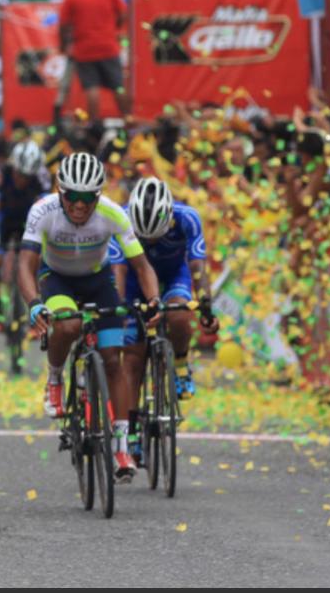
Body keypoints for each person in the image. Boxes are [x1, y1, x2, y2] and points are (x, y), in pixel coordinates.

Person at [18, 152, 161, 483]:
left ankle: (122, 446)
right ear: (60, 191)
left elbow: (142, 266)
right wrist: (35, 304)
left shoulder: (112, 213)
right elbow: (25, 264)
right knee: (67, 324)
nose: (80, 205)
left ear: (99, 195)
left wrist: (153, 300)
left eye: (88, 198)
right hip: (57, 279)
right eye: (72, 197)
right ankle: (55, 377)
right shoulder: (43, 211)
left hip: (99, 282)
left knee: (114, 360)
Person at [109, 177, 220, 466]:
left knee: (180, 315)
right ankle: (132, 433)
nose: (150, 243)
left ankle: (181, 365)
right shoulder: (119, 219)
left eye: (155, 236)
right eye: (144, 238)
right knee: (132, 360)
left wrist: (206, 305)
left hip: (173, 277)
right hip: (135, 280)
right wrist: (121, 311)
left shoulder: (187, 218)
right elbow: (118, 274)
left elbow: (198, 268)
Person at [0, 139, 50, 334]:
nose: (23, 179)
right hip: (5, 220)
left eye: (27, 176)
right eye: (20, 174)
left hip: (29, 219)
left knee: (38, 262)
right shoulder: (0, 173)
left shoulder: (42, 176)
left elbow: (44, 208)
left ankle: (35, 310)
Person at [58, 0, 129, 123]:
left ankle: (94, 125)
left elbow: (63, 25)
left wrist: (63, 46)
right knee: (118, 86)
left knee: (91, 88)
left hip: (84, 49)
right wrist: (114, 28)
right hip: (108, 46)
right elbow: (123, 13)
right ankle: (128, 119)